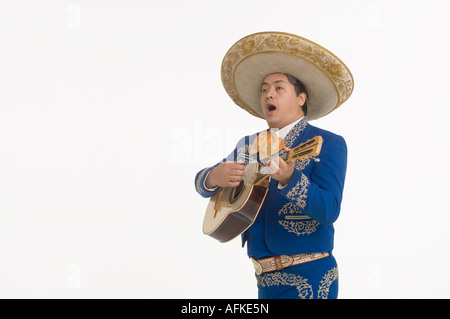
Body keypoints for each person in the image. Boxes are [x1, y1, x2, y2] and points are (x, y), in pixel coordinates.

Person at [194, 32, 354, 299]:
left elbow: (329, 209)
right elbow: (201, 184)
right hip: (263, 282)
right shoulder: (248, 145)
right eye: (265, 89)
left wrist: (291, 178)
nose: (269, 94)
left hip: (311, 277)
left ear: (301, 98)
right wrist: (214, 176)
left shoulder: (328, 142)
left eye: (279, 88)